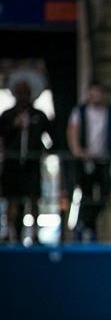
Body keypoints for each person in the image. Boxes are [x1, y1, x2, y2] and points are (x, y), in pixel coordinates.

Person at [66, 81, 111, 242]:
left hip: (104, 160)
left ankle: (85, 224)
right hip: (85, 160)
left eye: (98, 92)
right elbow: (73, 132)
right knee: (86, 195)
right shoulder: (79, 111)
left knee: (105, 194)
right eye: (92, 92)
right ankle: (88, 229)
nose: (94, 96)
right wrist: (78, 151)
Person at [0, 75, 51, 244]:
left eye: (26, 92)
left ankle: (35, 234)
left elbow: (51, 137)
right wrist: (15, 125)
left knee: (33, 198)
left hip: (32, 163)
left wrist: (44, 150)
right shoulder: (7, 115)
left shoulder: (39, 115)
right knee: (12, 199)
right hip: (12, 163)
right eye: (20, 92)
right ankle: (9, 233)